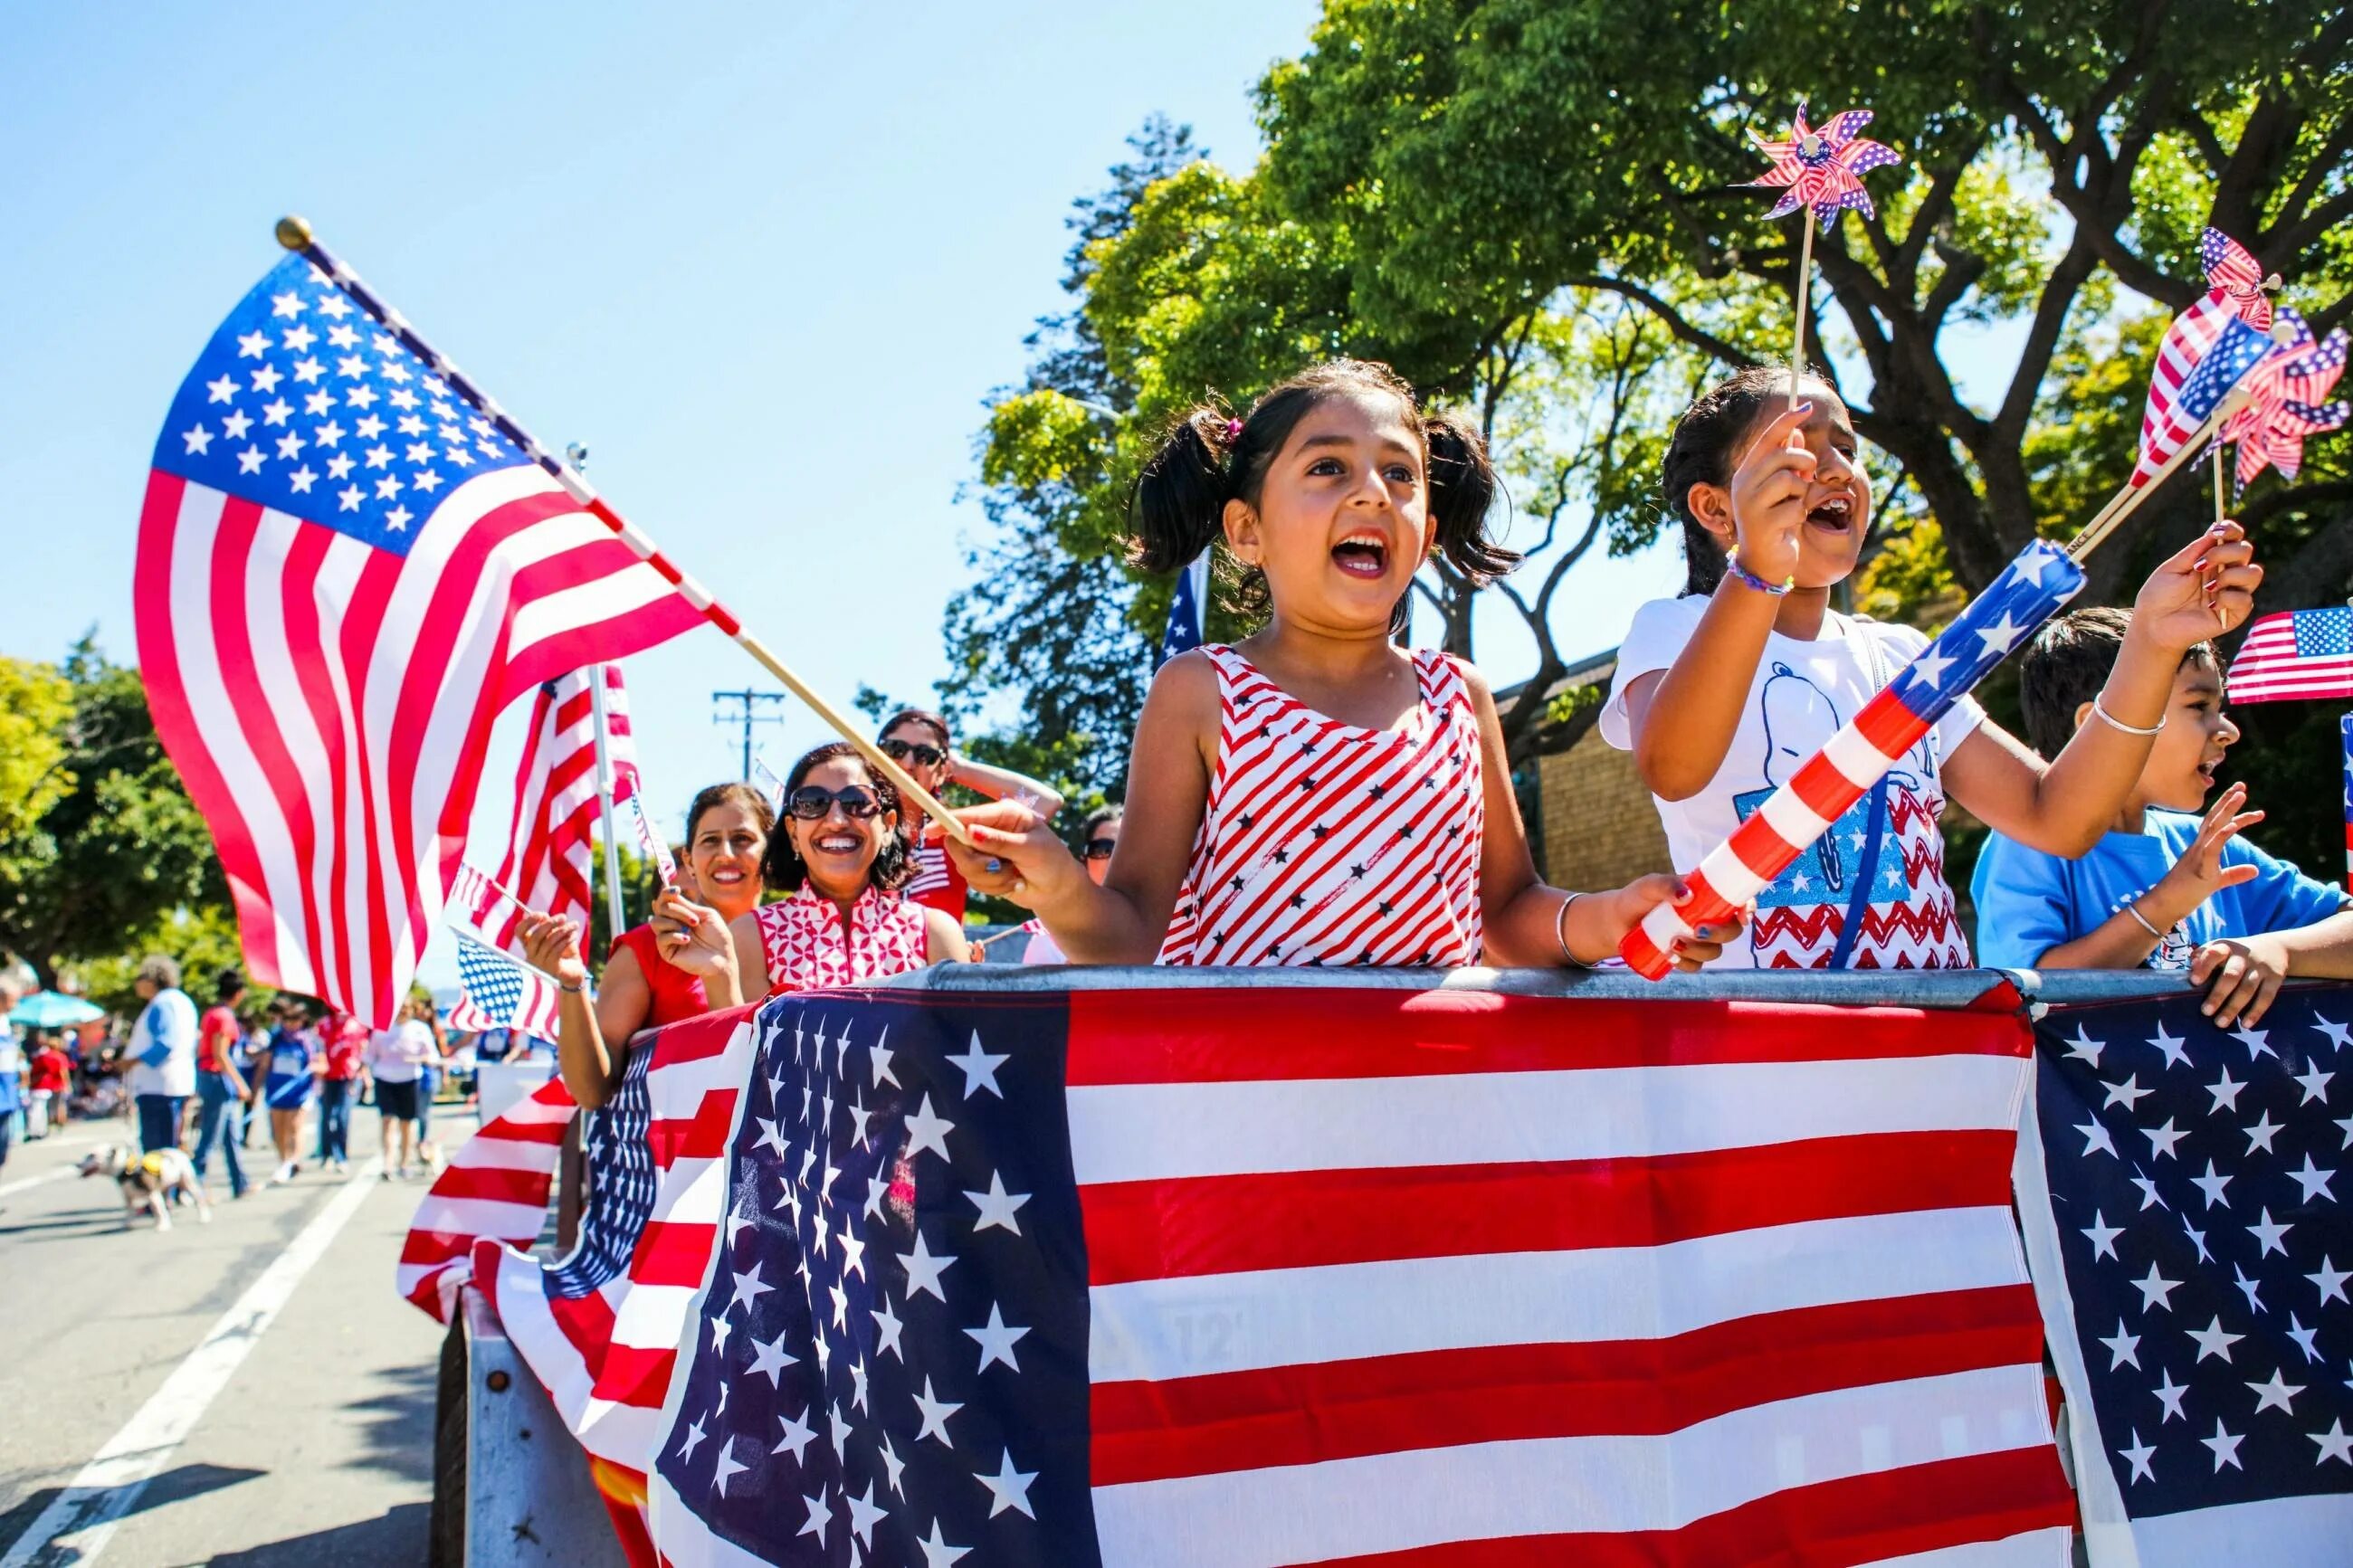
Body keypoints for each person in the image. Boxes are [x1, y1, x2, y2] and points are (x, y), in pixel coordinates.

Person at [951, 359, 1738, 970]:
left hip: (1438, 1104)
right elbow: (1124, 937)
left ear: (1425, 537)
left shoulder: (1459, 695)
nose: (1371, 492)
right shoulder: (1200, 691)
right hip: (1251, 1108)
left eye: (1400, 474)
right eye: (1328, 468)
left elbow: (1507, 911)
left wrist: (1611, 919)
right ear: (1246, 530)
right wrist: (1055, 883)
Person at [1599, 366, 2262, 970]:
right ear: (1716, 508)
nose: (1836, 468)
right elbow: (1675, 768)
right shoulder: (1673, 627)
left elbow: (2057, 816)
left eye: (1849, 449)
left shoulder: (1900, 655)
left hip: (1934, 1041)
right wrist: (1756, 574)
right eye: (1796, 447)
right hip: (1765, 1044)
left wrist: (2152, 640)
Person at [1972, 607, 2353, 1024]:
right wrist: (2168, 902)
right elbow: (2026, 990)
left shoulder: (2208, 844)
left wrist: (2281, 951)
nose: (2228, 729)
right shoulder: (2026, 843)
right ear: (2096, 726)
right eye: (2199, 705)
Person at [519, 782, 775, 1110]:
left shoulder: (808, 941)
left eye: (743, 839)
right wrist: (573, 986)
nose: (726, 853)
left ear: (771, 852)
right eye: (710, 840)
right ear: (689, 860)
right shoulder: (648, 950)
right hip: (679, 1158)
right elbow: (592, 1091)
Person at [729, 743, 969, 998]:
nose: (836, 821)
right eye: (813, 803)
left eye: (856, 801)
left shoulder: (935, 932)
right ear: (793, 832)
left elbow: (964, 1036)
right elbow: (745, 1037)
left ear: (888, 826)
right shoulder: (750, 936)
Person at [878, 708, 1064, 924]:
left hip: (938, 957)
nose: (908, 764)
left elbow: (1045, 804)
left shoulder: (954, 831)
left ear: (941, 771)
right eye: (896, 749)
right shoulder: (850, 825)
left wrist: (960, 768)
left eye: (925, 755)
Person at [986, 807, 1122, 964]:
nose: (1114, 859)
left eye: (1125, 849)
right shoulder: (1047, 943)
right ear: (1084, 860)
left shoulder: (1157, 936)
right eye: (1103, 849)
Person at [127, 955, 198, 1155]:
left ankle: (164, 1187)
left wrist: (130, 1062)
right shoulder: (182, 1001)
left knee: (158, 1151)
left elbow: (165, 1043)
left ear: (151, 979)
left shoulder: (162, 1004)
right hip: (176, 1081)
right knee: (170, 1146)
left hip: (157, 1085)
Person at [190, 970, 252, 1199]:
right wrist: (240, 1083)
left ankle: (241, 1182)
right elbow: (220, 1054)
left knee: (230, 1134)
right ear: (239, 993)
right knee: (210, 1135)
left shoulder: (212, 1013)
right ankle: (194, 1183)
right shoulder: (223, 1017)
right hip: (216, 1078)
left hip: (211, 1075)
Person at [364, 997, 440, 1179]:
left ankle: (405, 1162)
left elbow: (433, 1056)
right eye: (400, 1007)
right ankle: (388, 1164)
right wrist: (366, 1075)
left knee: (407, 1123)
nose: (403, 1011)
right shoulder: (381, 1029)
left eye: (406, 1007)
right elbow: (369, 1056)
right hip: (385, 1079)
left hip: (410, 1080)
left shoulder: (420, 1029)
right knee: (387, 1121)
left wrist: (423, 1060)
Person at [259, 994, 321, 1184]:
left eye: (295, 1020)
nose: (291, 1024)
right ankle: (284, 1161)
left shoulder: (310, 1041)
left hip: (300, 1092)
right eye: (287, 1020)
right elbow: (265, 1063)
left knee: (294, 1126)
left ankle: (293, 1160)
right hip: (277, 1090)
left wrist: (312, 1069)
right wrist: (256, 1087)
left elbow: (322, 1065)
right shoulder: (276, 1039)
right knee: (278, 1130)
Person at [315, 1007, 366, 1174]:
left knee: (342, 1117)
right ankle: (326, 1154)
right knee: (327, 1117)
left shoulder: (357, 1026)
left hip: (348, 1078)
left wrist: (363, 1074)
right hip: (327, 1076)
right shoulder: (324, 1025)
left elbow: (362, 1052)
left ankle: (341, 1156)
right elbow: (317, 1050)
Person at [27, 1032, 70, 1139]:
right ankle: (54, 1126)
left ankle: (42, 1128)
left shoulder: (41, 1056)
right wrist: (66, 1084)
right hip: (54, 1085)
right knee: (56, 1106)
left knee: (42, 1108)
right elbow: (63, 1071)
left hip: (43, 1085)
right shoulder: (59, 1057)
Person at [0, 975, 20, 1177]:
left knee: (3, 1152)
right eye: (13, 999)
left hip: (7, 1097)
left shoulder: (6, 1023)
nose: (15, 1004)